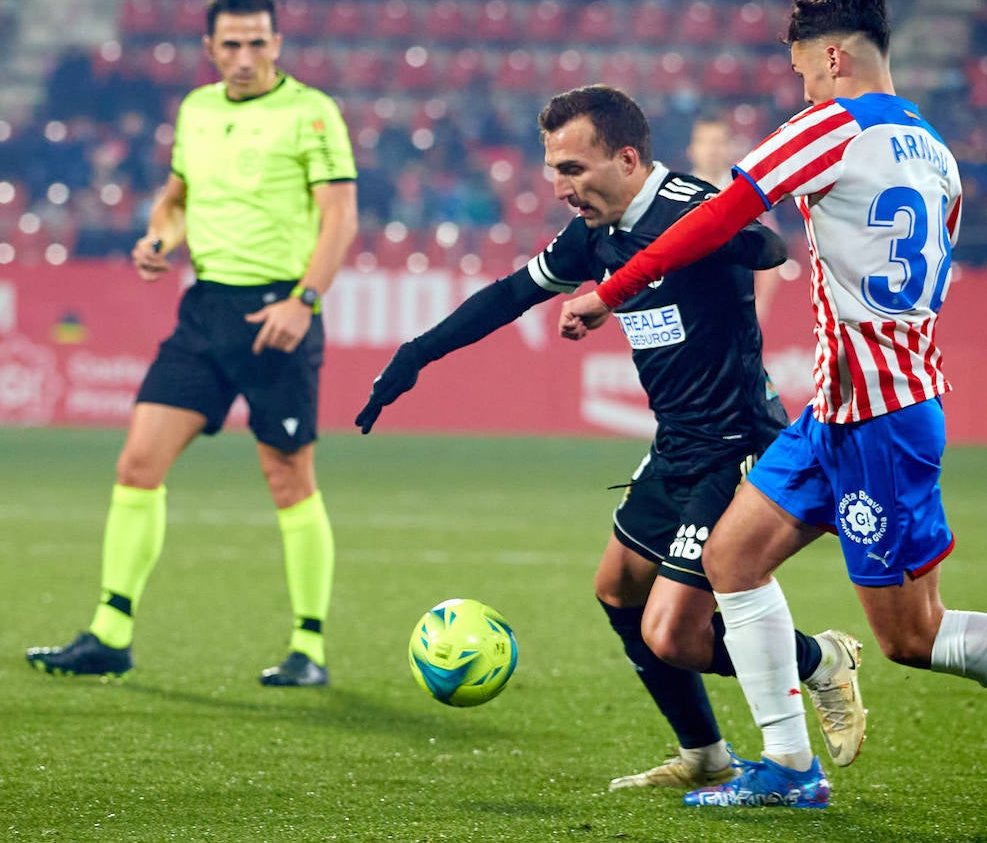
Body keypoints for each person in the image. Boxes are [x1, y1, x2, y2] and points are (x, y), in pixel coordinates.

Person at [560, 0, 987, 808]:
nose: (801, 88)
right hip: (840, 409)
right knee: (731, 558)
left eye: (802, 71)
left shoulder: (827, 127)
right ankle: (789, 770)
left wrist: (609, 292)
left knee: (912, 635)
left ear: (833, 57)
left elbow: (719, 218)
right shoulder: (936, 151)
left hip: (882, 423)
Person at [355, 85, 867, 789]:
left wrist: (739, 234)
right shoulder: (597, 233)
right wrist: (418, 352)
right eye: (553, 169)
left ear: (627, 158)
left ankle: (821, 663)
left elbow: (767, 246)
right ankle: (705, 756)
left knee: (675, 634)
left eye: (573, 169)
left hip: (737, 442)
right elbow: (512, 294)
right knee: (618, 591)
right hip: (677, 445)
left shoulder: (688, 209)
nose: (559, 186)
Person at [27, 0, 360, 688]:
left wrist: (304, 301)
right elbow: (178, 198)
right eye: (231, 44)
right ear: (209, 50)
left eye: (258, 42)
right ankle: (111, 633)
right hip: (204, 312)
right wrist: (159, 237)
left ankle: (310, 648)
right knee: (137, 464)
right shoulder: (198, 110)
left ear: (278, 44)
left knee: (287, 476)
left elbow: (339, 219)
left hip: (278, 314)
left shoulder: (312, 114)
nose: (245, 57)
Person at [685, 113, 784, 323]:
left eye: (718, 142)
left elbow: (771, 252)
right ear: (691, 149)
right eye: (704, 142)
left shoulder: (749, 196)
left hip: (736, 308)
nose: (712, 149)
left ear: (730, 147)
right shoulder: (675, 195)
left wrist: (761, 302)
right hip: (688, 309)